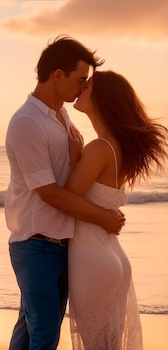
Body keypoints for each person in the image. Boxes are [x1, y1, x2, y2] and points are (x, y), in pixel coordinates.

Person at [4, 35, 125, 350]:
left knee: (30, 332)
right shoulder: (27, 123)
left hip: (59, 243)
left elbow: (69, 179)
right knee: (44, 334)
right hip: (36, 242)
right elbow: (49, 193)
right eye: (80, 79)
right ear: (58, 76)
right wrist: (103, 217)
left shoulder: (61, 115)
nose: (83, 87)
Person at [66, 70, 167, 350]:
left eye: (88, 85)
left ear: (102, 99)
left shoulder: (99, 148)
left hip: (93, 259)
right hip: (111, 257)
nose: (82, 87)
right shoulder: (115, 147)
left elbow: (66, 200)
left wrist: (74, 158)